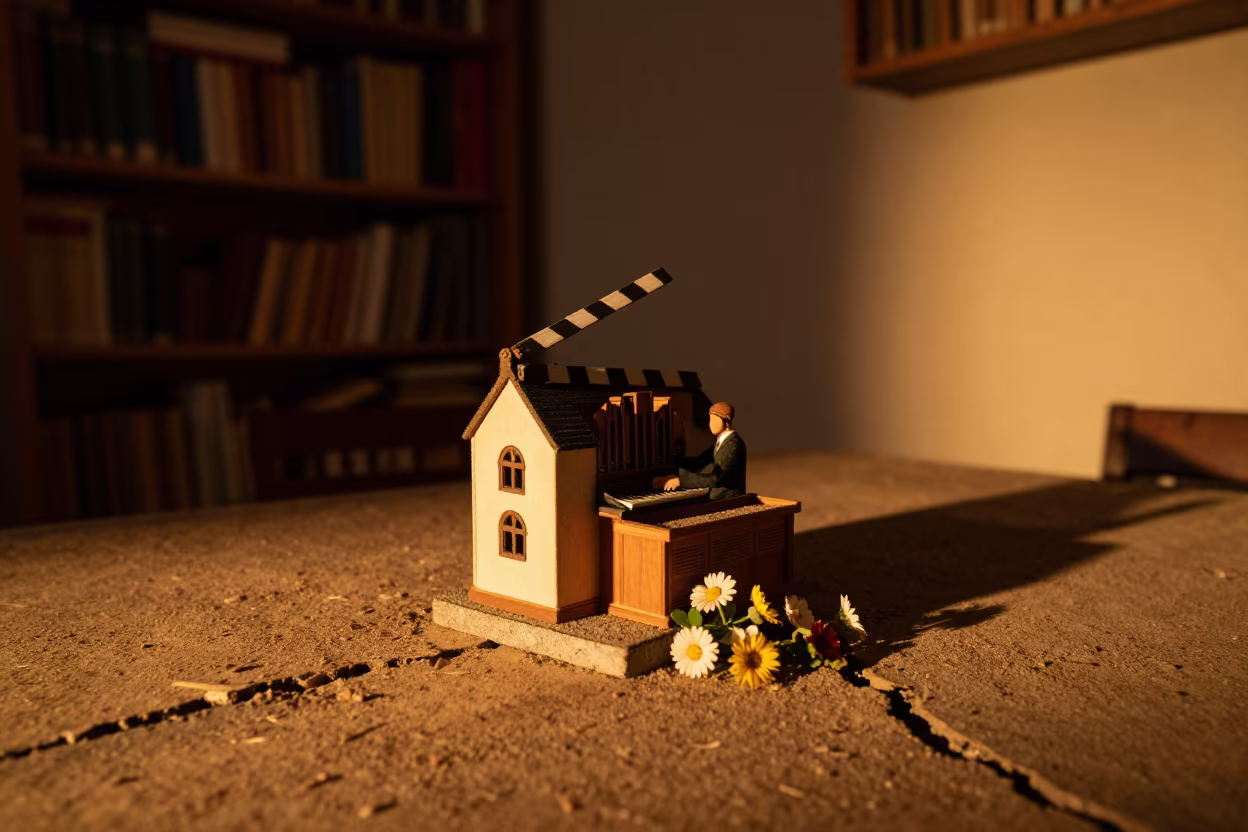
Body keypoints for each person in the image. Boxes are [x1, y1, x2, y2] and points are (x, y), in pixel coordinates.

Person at [652, 402, 746, 499]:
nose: (711, 425)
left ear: (726, 422)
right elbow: (700, 463)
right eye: (710, 420)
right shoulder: (720, 441)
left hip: (727, 499)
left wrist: (680, 481)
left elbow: (715, 478)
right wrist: (672, 468)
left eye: (714, 421)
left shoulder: (732, 444)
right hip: (715, 496)